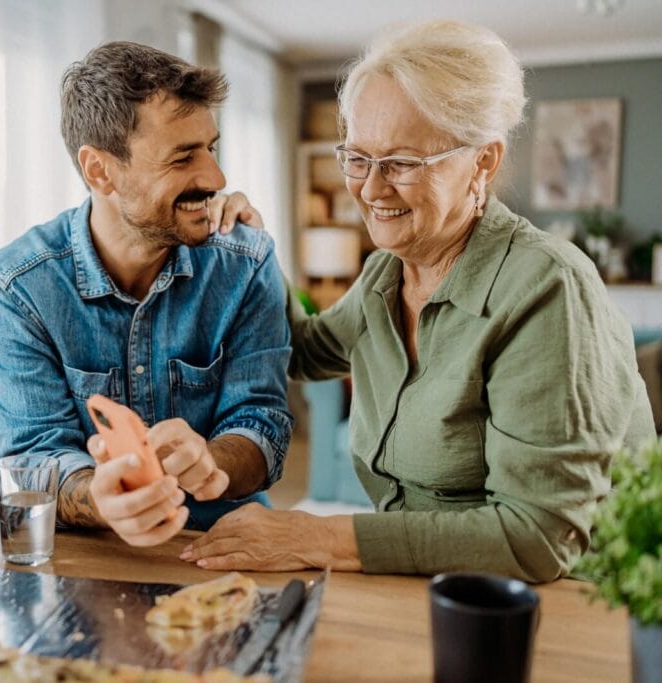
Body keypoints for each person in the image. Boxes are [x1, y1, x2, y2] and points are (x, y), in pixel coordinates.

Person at [182, 20, 655, 582]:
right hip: (425, 584)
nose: (371, 189)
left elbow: (538, 537)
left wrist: (317, 535)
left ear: (483, 161)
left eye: (402, 163)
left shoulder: (547, 288)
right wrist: (255, 250)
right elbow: (302, 351)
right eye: (357, 157)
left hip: (563, 608)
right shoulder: (387, 272)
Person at [0, 42, 292, 548]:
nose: (215, 177)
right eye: (183, 156)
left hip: (222, 539)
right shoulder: (16, 289)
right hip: (88, 552)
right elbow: (35, 453)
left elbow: (262, 420)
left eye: (211, 147)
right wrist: (104, 498)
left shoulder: (246, 264)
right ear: (100, 171)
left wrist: (212, 463)